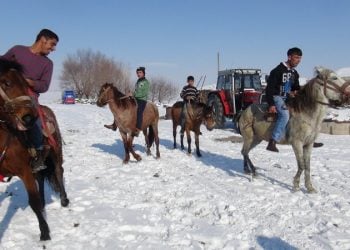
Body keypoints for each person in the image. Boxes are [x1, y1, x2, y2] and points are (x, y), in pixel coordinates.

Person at [1, 28, 59, 172]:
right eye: (52, 44)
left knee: (36, 123)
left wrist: (30, 82)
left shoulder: (48, 64)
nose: (54, 49)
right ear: (43, 40)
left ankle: (37, 154)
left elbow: (44, 86)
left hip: (29, 98)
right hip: (8, 94)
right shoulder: (17, 50)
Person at [266, 47, 323, 152]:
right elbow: (269, 88)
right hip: (277, 97)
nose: (298, 61)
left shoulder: (294, 73)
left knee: (304, 112)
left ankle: (308, 139)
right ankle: (273, 141)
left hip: (288, 98)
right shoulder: (277, 71)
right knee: (284, 115)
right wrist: (271, 104)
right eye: (296, 58)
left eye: (300, 58)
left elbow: (295, 87)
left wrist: (298, 91)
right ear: (289, 57)